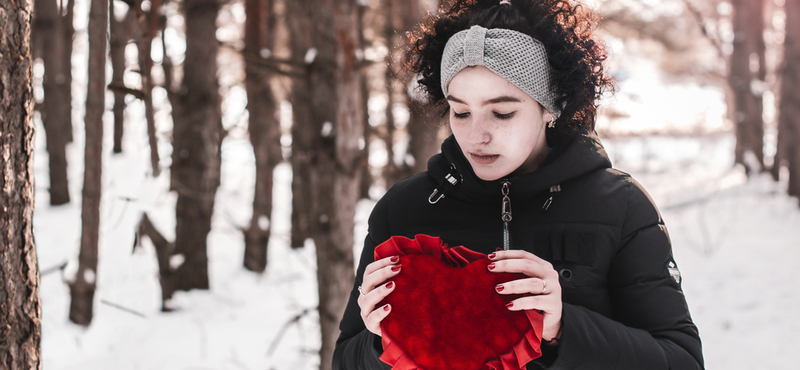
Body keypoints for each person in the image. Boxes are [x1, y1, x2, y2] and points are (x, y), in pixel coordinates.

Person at [332, 0, 704, 368]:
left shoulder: (621, 206)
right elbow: (347, 360)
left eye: (502, 112)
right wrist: (380, 341)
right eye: (460, 112)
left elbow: (681, 361)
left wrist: (562, 328)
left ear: (550, 106)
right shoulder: (403, 209)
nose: (476, 135)